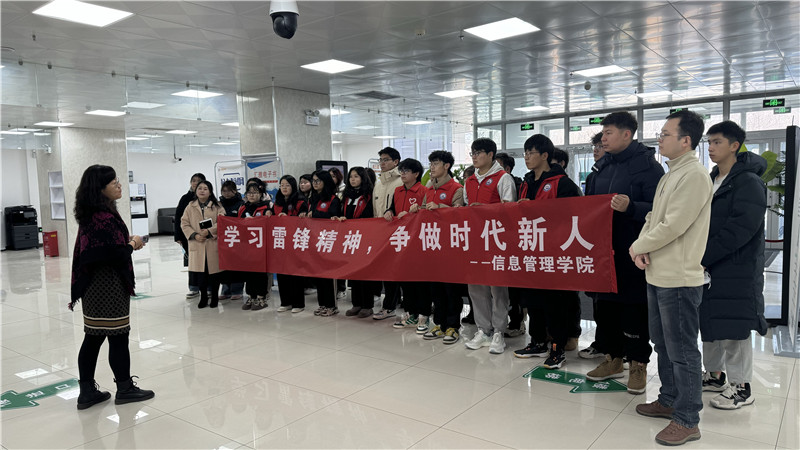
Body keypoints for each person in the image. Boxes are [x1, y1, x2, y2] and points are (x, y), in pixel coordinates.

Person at [631, 110, 712, 446]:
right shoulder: (671, 173)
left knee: (682, 351)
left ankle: (688, 419)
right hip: (658, 273)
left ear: (686, 140)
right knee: (662, 343)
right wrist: (643, 246)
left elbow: (674, 225)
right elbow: (653, 218)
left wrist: (637, 246)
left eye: (665, 134)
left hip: (679, 278)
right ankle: (669, 400)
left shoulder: (694, 175)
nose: (659, 139)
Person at [584, 111, 663, 396]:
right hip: (603, 251)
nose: (603, 139)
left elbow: (660, 209)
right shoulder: (601, 167)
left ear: (627, 134)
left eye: (609, 133)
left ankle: (638, 364)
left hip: (634, 251)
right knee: (605, 308)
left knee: (634, 309)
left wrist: (631, 207)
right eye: (603, 133)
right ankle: (613, 358)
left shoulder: (648, 168)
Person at [70, 164, 154, 410]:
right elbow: (114, 255)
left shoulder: (93, 213)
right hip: (108, 285)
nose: (119, 185)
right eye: (114, 182)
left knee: (93, 337)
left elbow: (102, 249)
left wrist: (125, 243)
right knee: (118, 336)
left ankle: (87, 391)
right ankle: (125, 388)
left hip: (93, 286)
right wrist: (133, 243)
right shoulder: (103, 218)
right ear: (100, 188)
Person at [700, 121, 768, 409]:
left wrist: (704, 255)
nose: (711, 147)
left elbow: (741, 230)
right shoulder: (712, 179)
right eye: (709, 142)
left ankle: (741, 387)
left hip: (736, 267)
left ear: (734, 146)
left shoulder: (748, 181)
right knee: (710, 320)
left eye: (717, 142)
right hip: (710, 265)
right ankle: (714, 375)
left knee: (734, 326)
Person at [511, 134, 583, 369]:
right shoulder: (525, 183)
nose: (527, 157)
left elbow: (570, 216)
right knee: (533, 301)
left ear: (544, 155)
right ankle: (537, 342)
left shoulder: (563, 183)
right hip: (530, 251)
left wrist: (535, 209)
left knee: (555, 303)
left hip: (554, 252)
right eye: (525, 153)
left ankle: (557, 348)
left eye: (531, 153)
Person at [463, 137, 517, 354]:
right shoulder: (469, 181)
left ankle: (498, 332)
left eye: (478, 153)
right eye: (472, 153)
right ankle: (483, 330)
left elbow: (510, 211)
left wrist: (486, 210)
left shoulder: (503, 178)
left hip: (497, 241)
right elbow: (466, 209)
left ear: (490, 155)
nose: (474, 157)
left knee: (498, 289)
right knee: (476, 287)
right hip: (475, 241)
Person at [418, 150, 466, 344]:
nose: (432, 167)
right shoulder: (429, 189)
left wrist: (440, 208)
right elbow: (423, 212)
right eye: (430, 163)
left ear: (447, 166)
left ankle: (453, 326)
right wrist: (417, 210)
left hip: (450, 246)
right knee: (435, 288)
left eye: (436, 163)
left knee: (451, 289)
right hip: (432, 245)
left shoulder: (457, 188)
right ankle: (439, 323)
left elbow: (459, 214)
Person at [385, 158, 431, 333]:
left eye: (406, 171)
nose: (402, 174)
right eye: (401, 171)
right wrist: (388, 211)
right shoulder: (397, 190)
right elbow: (392, 208)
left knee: (420, 281)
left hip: (418, 242)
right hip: (401, 241)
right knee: (406, 280)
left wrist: (414, 213)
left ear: (416, 174)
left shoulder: (424, 191)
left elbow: (427, 214)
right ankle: (411, 313)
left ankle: (424, 315)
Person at [579, 131, 608, 359]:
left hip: (615, 242)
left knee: (615, 302)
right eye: (595, 146)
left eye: (601, 145)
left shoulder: (623, 171)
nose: (596, 150)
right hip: (595, 242)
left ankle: (620, 350)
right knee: (598, 299)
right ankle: (602, 343)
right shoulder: (593, 176)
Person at [334, 167, 375, 318]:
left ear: (363, 178)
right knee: (353, 272)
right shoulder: (346, 196)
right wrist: (339, 218)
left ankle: (367, 306)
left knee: (365, 273)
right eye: (351, 176)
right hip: (350, 239)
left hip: (365, 238)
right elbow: (341, 213)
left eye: (356, 176)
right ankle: (356, 304)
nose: (353, 179)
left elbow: (370, 215)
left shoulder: (369, 196)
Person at [372, 147, 404, 320]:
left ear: (396, 162)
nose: (382, 163)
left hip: (398, 233)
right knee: (385, 270)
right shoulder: (378, 184)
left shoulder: (400, 182)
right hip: (380, 233)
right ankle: (391, 303)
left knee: (394, 270)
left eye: (386, 160)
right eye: (381, 160)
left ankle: (390, 306)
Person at [181, 180, 225, 309]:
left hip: (212, 243)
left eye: (205, 189)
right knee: (201, 273)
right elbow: (184, 223)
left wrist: (209, 231)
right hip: (197, 243)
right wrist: (195, 235)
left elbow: (222, 221)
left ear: (210, 192)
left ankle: (215, 297)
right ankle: (203, 297)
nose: (202, 191)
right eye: (200, 188)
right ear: (196, 191)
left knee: (214, 273)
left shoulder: (217, 206)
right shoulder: (190, 206)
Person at [495, 152, 525, 338]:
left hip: (514, 241)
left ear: (506, 169)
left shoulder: (516, 184)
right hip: (494, 238)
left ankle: (517, 321)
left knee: (514, 287)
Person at [270, 175, 309, 313]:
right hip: (280, 242)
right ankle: (285, 302)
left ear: (293, 186)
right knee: (282, 272)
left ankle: (298, 304)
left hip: (295, 242)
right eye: (282, 185)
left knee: (295, 273)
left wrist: (289, 219)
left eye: (287, 185)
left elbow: (304, 220)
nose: (284, 188)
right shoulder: (277, 202)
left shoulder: (300, 201)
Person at [306, 170, 341, 316]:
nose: (315, 184)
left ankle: (332, 305)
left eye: (318, 181)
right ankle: (322, 304)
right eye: (313, 181)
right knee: (318, 275)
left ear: (325, 182)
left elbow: (333, 217)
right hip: (315, 240)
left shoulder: (334, 199)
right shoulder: (313, 199)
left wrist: (316, 214)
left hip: (328, 241)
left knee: (328, 276)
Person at [237, 179, 272, 311]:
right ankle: (251, 296)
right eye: (249, 192)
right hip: (246, 246)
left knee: (260, 273)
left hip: (261, 247)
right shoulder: (243, 208)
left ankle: (261, 297)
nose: (251, 195)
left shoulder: (267, 207)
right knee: (248, 273)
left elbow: (271, 224)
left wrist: (256, 221)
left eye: (255, 192)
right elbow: (236, 224)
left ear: (261, 194)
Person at [174, 173, 205, 299]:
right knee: (193, 262)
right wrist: (178, 236)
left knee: (207, 262)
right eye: (193, 181)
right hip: (189, 236)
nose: (195, 183)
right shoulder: (185, 199)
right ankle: (193, 288)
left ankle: (208, 287)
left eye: (199, 181)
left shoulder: (210, 199)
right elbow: (179, 218)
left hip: (205, 236)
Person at [218, 180, 245, 301]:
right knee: (224, 265)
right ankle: (225, 290)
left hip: (237, 239)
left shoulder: (241, 204)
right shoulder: (218, 204)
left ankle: (237, 290)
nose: (226, 193)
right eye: (224, 191)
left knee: (237, 265)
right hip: (223, 239)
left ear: (235, 191)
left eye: (229, 191)